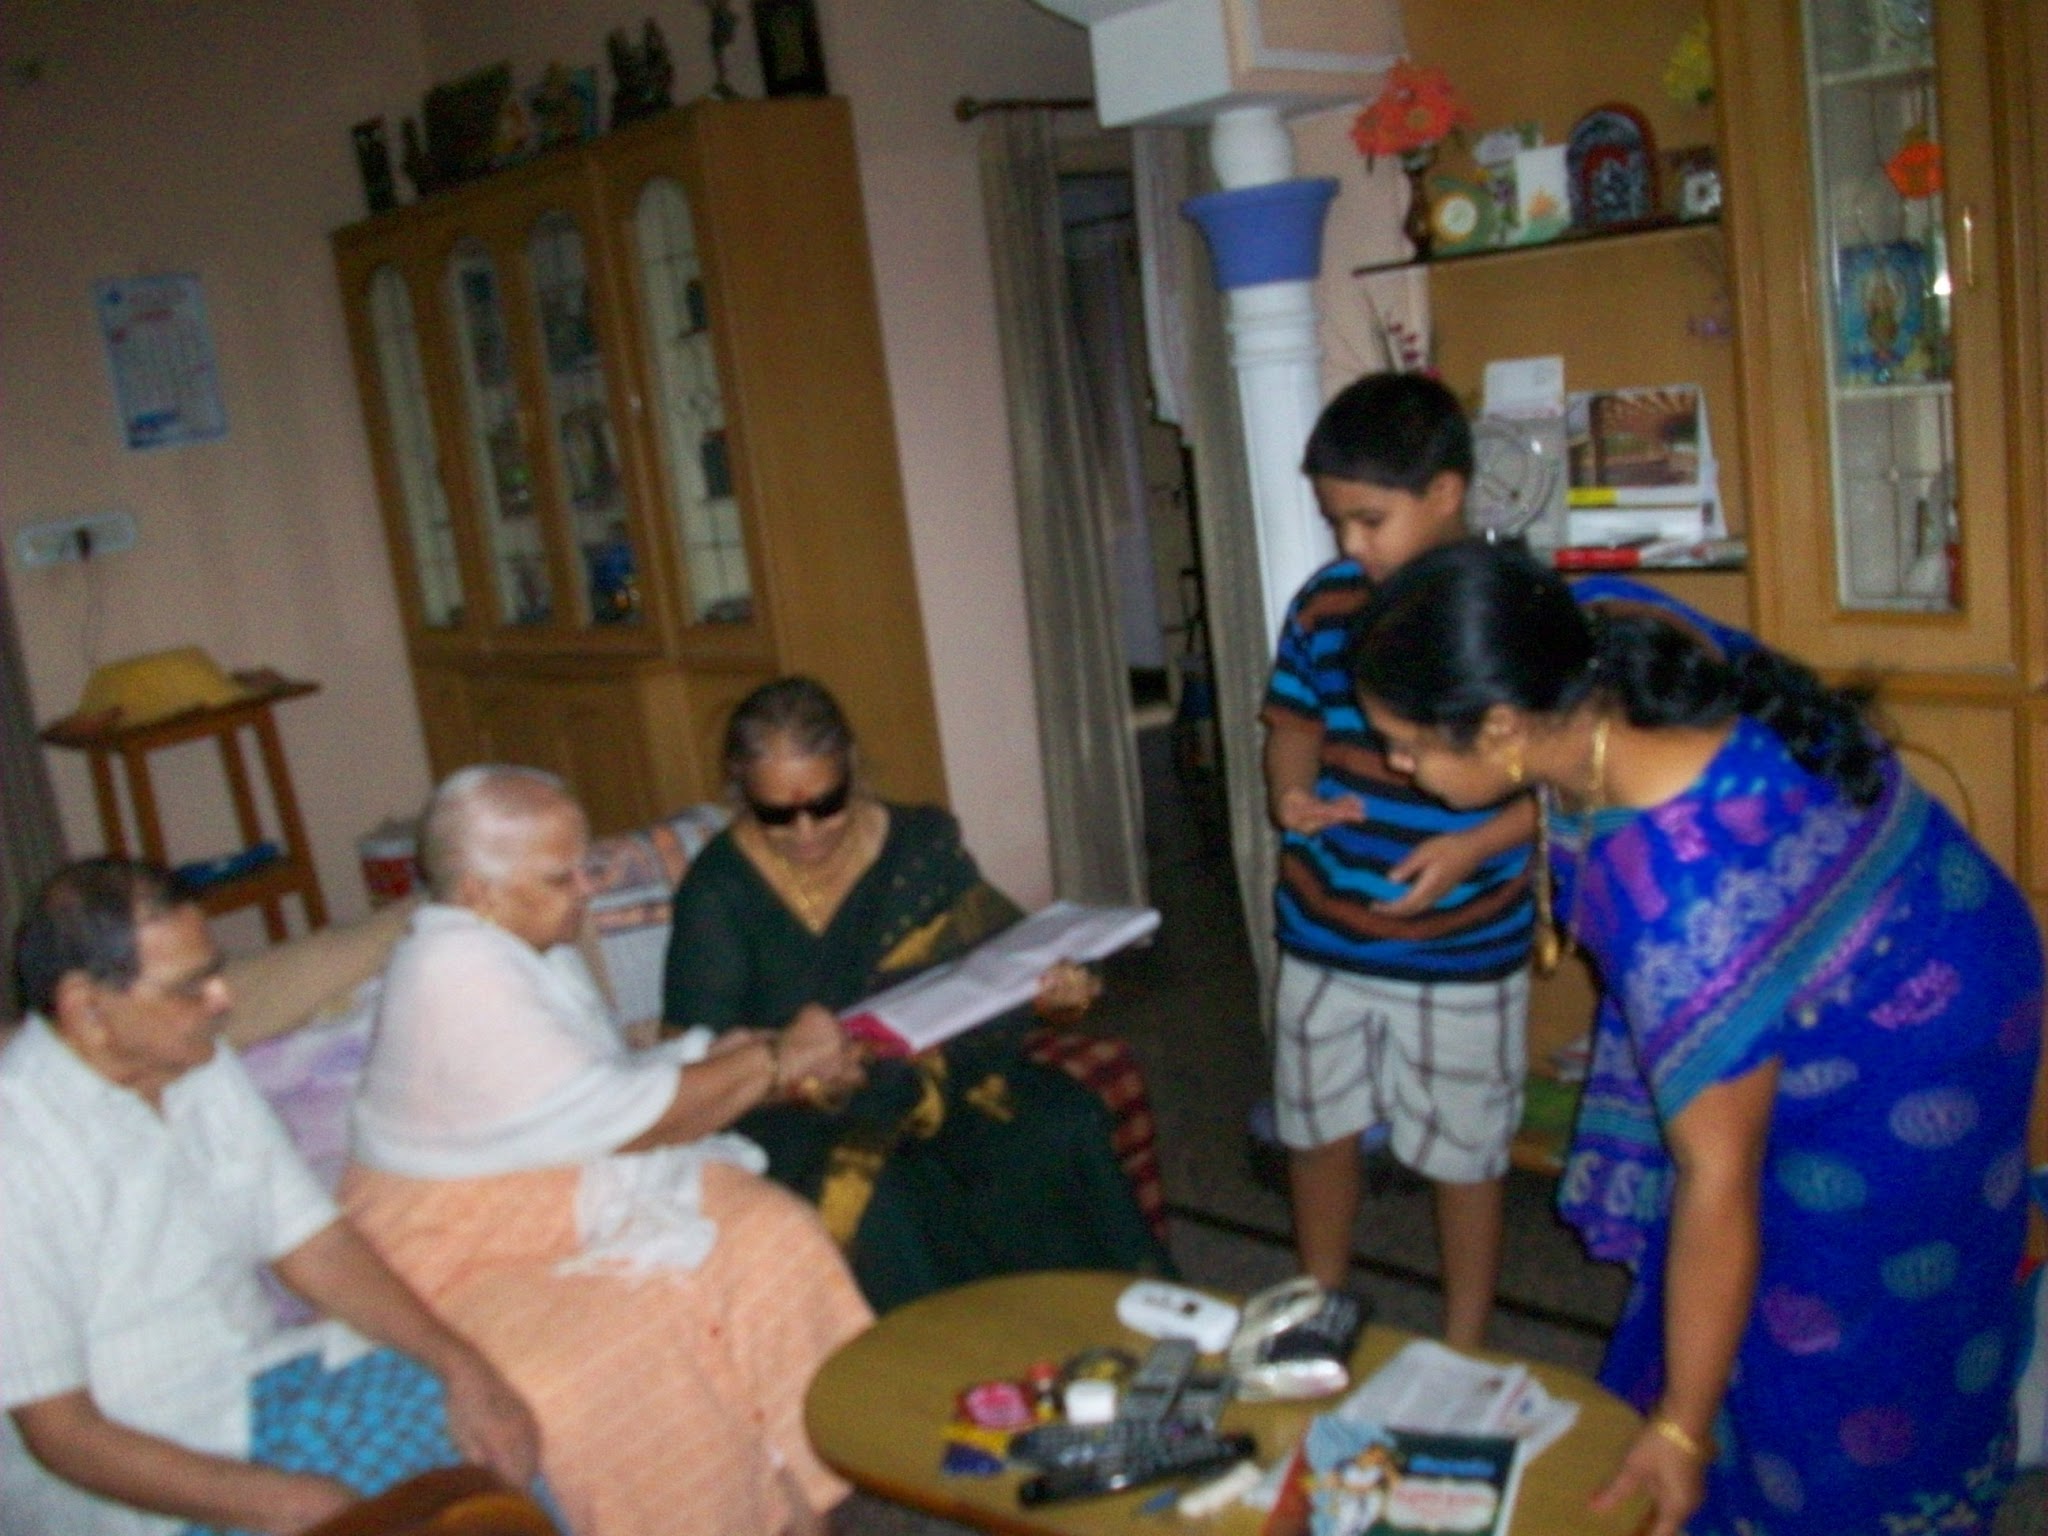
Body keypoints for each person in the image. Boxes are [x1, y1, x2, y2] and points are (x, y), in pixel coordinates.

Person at [1347, 538, 2042, 1536]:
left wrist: (1677, 1430)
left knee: (1840, 1313)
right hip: (1928, 916)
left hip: (1919, 1031)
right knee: (1815, 1271)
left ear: (1499, 725)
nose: (1396, 765)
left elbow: (1717, 1179)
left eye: (1408, 746)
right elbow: (1561, 768)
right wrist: (1482, 839)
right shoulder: (1589, 630)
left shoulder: (1685, 904)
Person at [343, 765, 873, 1536]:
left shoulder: (527, 943)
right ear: (480, 892)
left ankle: (808, 1498)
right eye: (562, 877)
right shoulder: (450, 971)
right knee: (628, 1349)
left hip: (571, 1189)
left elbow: (597, 1083)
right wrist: (771, 1063)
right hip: (459, 1249)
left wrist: (735, 1054)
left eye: (584, 867)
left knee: (773, 1235)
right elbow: (618, 1119)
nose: (587, 890)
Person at [0, 857, 539, 1536]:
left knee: (492, 1447)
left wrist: (462, 1368)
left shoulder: (194, 1061)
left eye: (215, 973)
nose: (223, 999)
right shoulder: (16, 1145)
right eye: (190, 987)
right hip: (133, 1489)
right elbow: (61, 1434)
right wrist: (296, 1506)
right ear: (86, 1007)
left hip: (254, 1391)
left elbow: (309, 1241)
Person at [660, 675, 1173, 1312]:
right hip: (803, 1114)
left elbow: (997, 962)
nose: (807, 831)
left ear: (851, 768)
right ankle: (967, 1360)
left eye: (826, 804)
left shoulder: (919, 844)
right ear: (740, 788)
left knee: (1060, 1125)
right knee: (892, 1204)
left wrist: (1052, 994)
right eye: (776, 814)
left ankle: (1113, 1331)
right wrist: (793, 1063)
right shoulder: (719, 891)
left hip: (942, 1077)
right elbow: (694, 1063)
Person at [1263, 371, 1536, 1348]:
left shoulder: (1510, 610)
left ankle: (1464, 1337)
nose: (1351, 545)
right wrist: (1289, 797)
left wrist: (1475, 845)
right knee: (1313, 1131)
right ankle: (1318, 1305)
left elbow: (1562, 779)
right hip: (1323, 930)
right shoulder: (1327, 603)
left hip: (1460, 949)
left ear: (1445, 493)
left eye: (1369, 520)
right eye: (1336, 522)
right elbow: (1291, 723)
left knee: (1464, 1156)